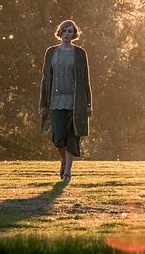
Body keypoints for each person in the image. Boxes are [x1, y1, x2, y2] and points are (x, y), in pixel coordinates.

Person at [39, 19, 92, 183]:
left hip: (76, 102)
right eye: (65, 31)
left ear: (74, 34)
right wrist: (43, 104)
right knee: (58, 137)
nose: (68, 34)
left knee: (72, 137)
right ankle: (63, 160)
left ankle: (68, 172)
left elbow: (85, 80)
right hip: (55, 101)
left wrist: (89, 104)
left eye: (71, 31)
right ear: (60, 32)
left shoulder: (80, 53)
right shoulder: (51, 52)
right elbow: (46, 79)